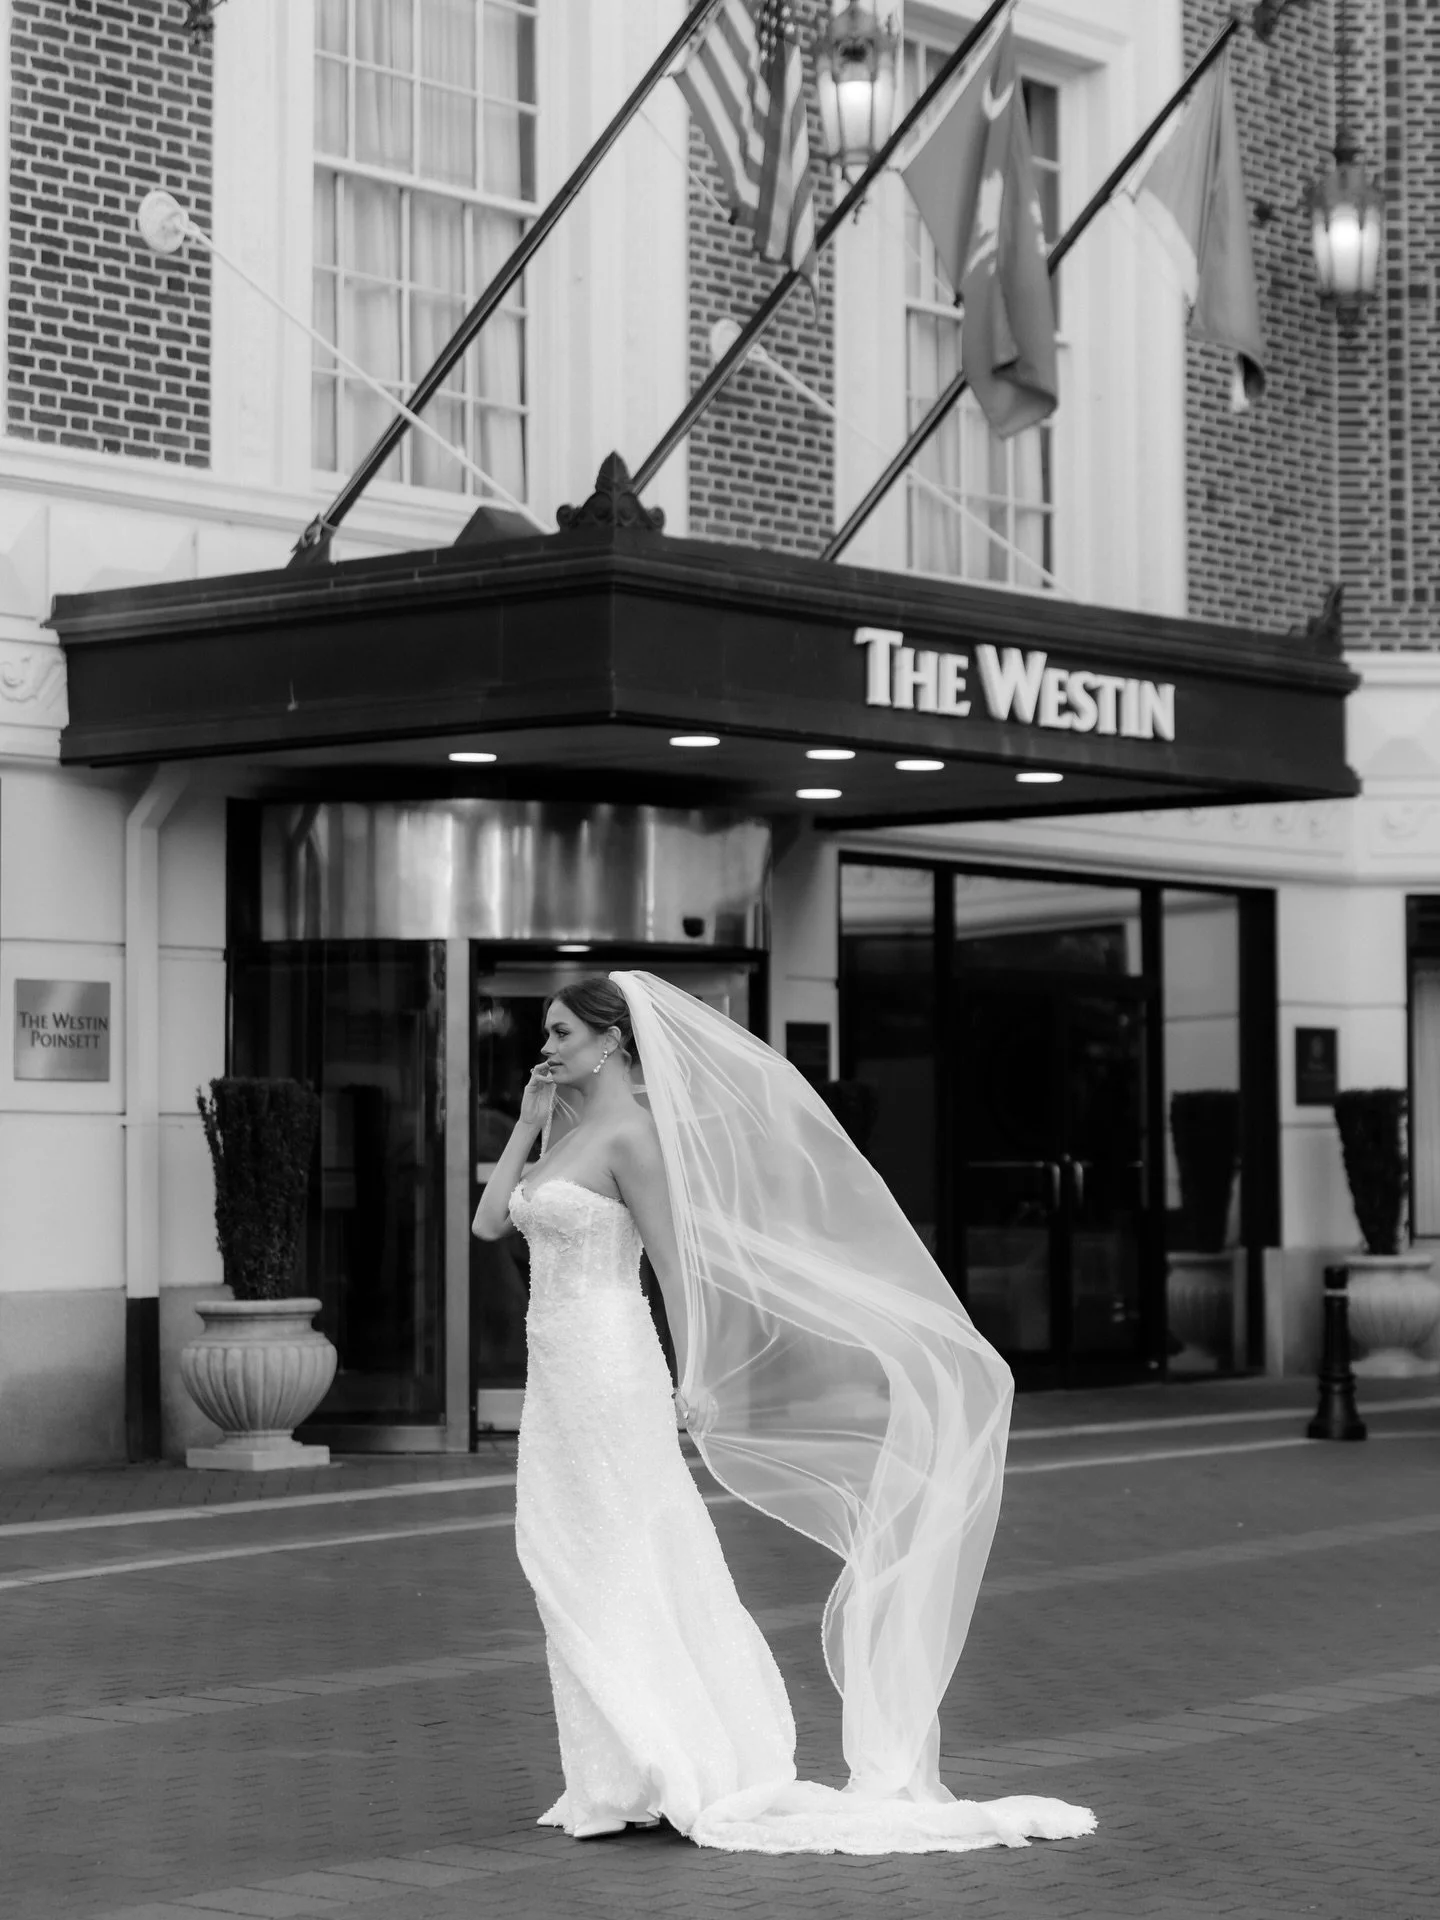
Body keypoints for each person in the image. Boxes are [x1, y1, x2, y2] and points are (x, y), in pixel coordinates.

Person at [473, 972, 1095, 1856]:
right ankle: (609, 1778)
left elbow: (675, 1264)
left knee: (622, 1552)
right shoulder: (559, 1133)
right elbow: (490, 1224)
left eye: (563, 1033)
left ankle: (669, 1761)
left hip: (613, 1365)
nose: (549, 1047)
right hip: (557, 1376)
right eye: (547, 1033)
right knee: (560, 1550)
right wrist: (530, 1119)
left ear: (611, 1041)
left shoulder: (634, 1138)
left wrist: (695, 1372)